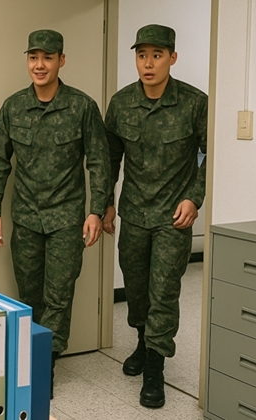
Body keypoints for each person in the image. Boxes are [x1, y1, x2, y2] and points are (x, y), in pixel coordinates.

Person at [0, 29, 110, 394]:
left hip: (66, 220)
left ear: (61, 60)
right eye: (33, 57)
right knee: (29, 295)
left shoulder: (82, 107)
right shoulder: (13, 107)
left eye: (47, 58)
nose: (39, 65)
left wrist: (95, 211)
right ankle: (29, 356)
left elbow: (99, 162)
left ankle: (45, 365)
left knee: (59, 296)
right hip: (26, 217)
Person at [103, 24, 207, 408]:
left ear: (172, 58)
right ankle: (143, 343)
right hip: (133, 212)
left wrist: (194, 198)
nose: (148, 64)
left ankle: (155, 369)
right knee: (136, 289)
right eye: (142, 55)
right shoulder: (121, 104)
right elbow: (109, 159)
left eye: (157, 55)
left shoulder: (195, 103)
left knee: (163, 291)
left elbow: (213, 155)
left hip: (172, 218)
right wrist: (106, 203)